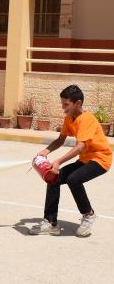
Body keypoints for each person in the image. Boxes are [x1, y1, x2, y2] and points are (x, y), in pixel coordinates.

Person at [29, 85, 112, 237]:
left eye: (66, 105)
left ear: (78, 103)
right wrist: (45, 151)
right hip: (86, 159)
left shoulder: (86, 119)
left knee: (73, 179)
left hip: (100, 159)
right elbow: (60, 140)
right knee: (53, 177)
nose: (63, 108)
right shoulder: (69, 118)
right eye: (62, 104)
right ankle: (50, 222)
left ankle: (89, 214)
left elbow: (80, 146)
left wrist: (58, 161)